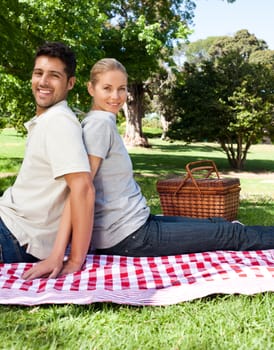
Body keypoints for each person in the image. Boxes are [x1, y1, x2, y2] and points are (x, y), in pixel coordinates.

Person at [81, 58, 274, 257]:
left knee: (218, 223)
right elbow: (82, 187)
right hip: (129, 236)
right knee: (230, 233)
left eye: (121, 88)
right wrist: (78, 253)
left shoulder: (101, 121)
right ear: (91, 88)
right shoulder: (100, 124)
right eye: (107, 88)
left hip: (136, 222)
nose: (116, 96)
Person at [0, 42, 94, 279]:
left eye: (54, 75)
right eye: (38, 73)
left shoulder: (59, 122)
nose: (43, 81)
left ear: (70, 83)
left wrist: (74, 260)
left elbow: (83, 187)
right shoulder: (48, 119)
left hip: (15, 235)